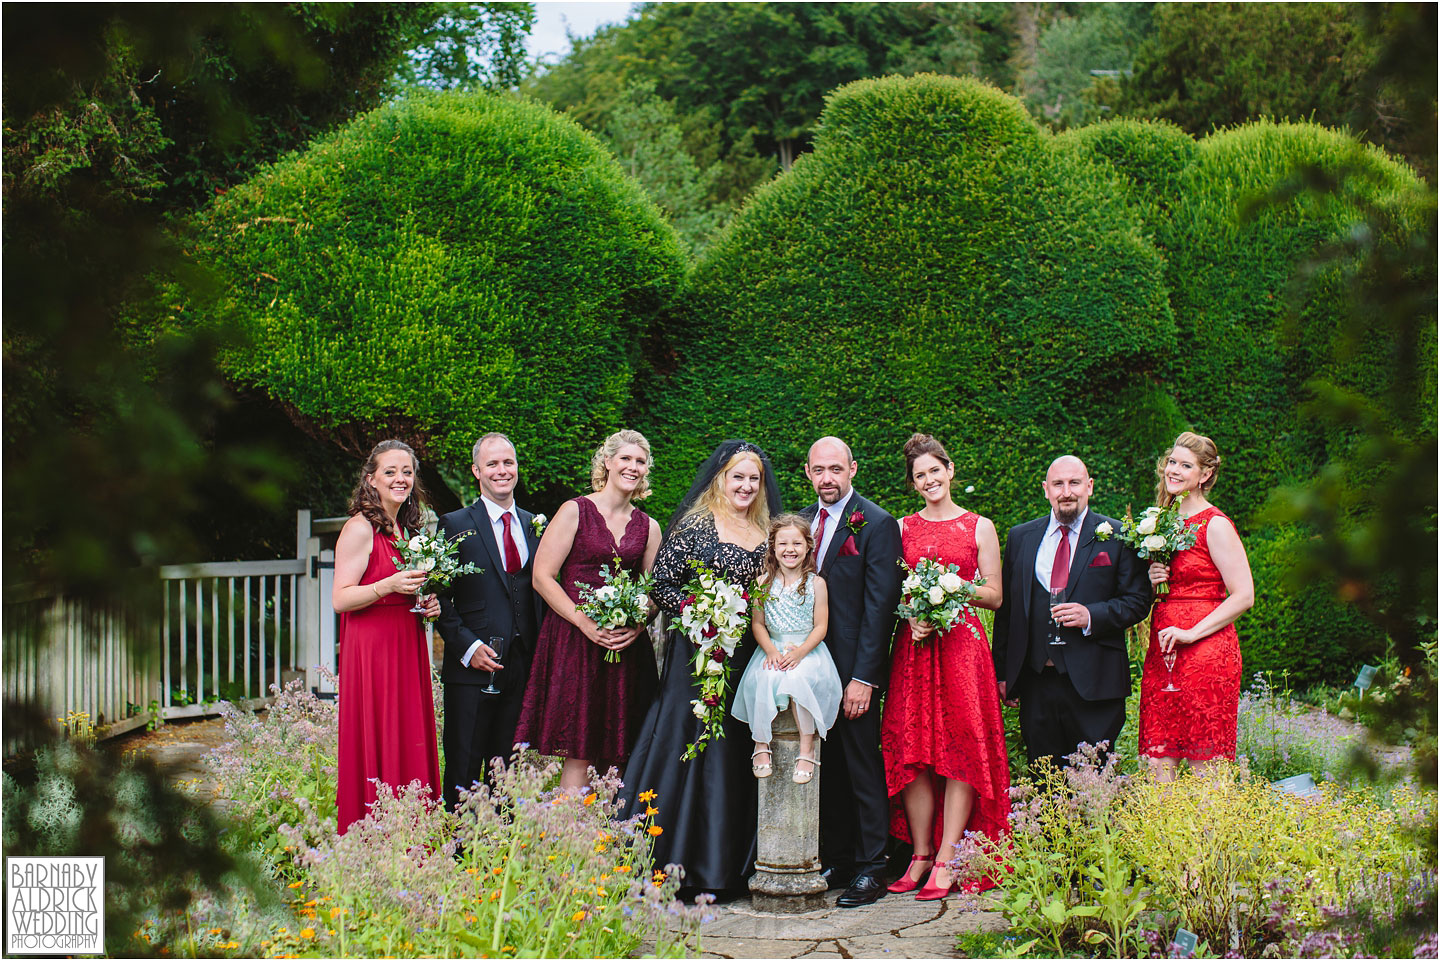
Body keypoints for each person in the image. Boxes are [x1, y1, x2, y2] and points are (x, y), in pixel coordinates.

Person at [621, 440, 781, 897]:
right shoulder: (695, 526)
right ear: (720, 479)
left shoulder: (770, 532)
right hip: (695, 655)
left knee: (735, 745)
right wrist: (699, 612)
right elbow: (663, 583)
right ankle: (664, 859)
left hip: (746, 656)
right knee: (683, 740)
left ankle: (727, 864)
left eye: (754, 478)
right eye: (738, 477)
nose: (746, 486)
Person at [881, 433, 1009, 900]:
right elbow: (890, 590)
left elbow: (994, 595)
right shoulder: (902, 528)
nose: (930, 480)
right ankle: (919, 853)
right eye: (920, 475)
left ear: (950, 471)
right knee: (911, 748)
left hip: (962, 649)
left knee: (960, 750)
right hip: (914, 650)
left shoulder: (980, 526)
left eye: (936, 470)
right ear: (914, 484)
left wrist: (955, 586)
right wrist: (914, 611)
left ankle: (949, 857)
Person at [515, 430, 663, 790]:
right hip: (575, 641)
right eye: (625, 459)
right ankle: (570, 841)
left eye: (640, 461)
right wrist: (582, 621)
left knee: (623, 748)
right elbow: (543, 576)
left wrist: (638, 625)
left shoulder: (649, 527)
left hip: (623, 648)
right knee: (579, 748)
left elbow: (653, 591)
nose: (632, 467)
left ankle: (616, 837)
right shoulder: (574, 510)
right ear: (607, 462)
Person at [993, 455, 1151, 770]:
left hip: (1096, 684)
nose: (1067, 491)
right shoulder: (1020, 537)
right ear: (1046, 490)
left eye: (1074, 483)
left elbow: (1137, 600)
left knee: (1094, 780)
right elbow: (1007, 611)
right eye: (1058, 484)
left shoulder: (1118, 536)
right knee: (1045, 779)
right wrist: (1004, 674)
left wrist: (1091, 615)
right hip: (1037, 682)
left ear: (1089, 487)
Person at [800, 436, 903, 909]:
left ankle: (872, 867)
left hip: (851, 670)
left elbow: (880, 606)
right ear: (808, 472)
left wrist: (864, 677)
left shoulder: (876, 524)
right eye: (819, 470)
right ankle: (839, 859)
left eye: (836, 469)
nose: (828, 478)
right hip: (807, 667)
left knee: (862, 764)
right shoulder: (799, 524)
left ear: (853, 470)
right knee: (829, 767)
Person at [332, 439, 442, 833]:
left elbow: (406, 588)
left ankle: (411, 833)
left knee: (408, 733)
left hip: (406, 642)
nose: (400, 479)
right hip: (374, 648)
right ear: (371, 480)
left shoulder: (405, 528)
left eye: (407, 472)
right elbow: (341, 599)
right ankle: (372, 834)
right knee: (380, 733)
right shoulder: (360, 528)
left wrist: (429, 603)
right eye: (390, 472)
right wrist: (388, 585)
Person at [434, 433, 548, 811]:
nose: (502, 471)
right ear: (476, 471)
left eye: (508, 463)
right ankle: (460, 852)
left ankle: (501, 857)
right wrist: (467, 647)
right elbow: (438, 597)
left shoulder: (534, 525)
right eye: (493, 464)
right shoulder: (453, 523)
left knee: (509, 771)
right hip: (471, 669)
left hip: (521, 668)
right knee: (464, 768)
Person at [1138, 432, 1254, 781]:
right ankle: (1162, 836)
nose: (1173, 470)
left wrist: (1191, 633)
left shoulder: (1215, 524)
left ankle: (1208, 837)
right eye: (1172, 462)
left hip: (1205, 653)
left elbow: (1244, 595)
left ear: (1204, 475)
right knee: (1159, 758)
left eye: (1185, 465)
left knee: (1205, 762)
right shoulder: (1162, 521)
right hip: (1164, 651)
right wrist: (1151, 577)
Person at [732, 515, 842, 784]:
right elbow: (758, 624)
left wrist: (801, 652)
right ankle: (760, 744)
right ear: (773, 547)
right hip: (773, 647)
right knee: (764, 677)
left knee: (798, 678)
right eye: (782, 543)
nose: (789, 549)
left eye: (796, 543)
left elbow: (821, 627)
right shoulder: (762, 583)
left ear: (807, 547)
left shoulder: (816, 584)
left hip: (807, 650)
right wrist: (770, 651)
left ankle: (807, 749)